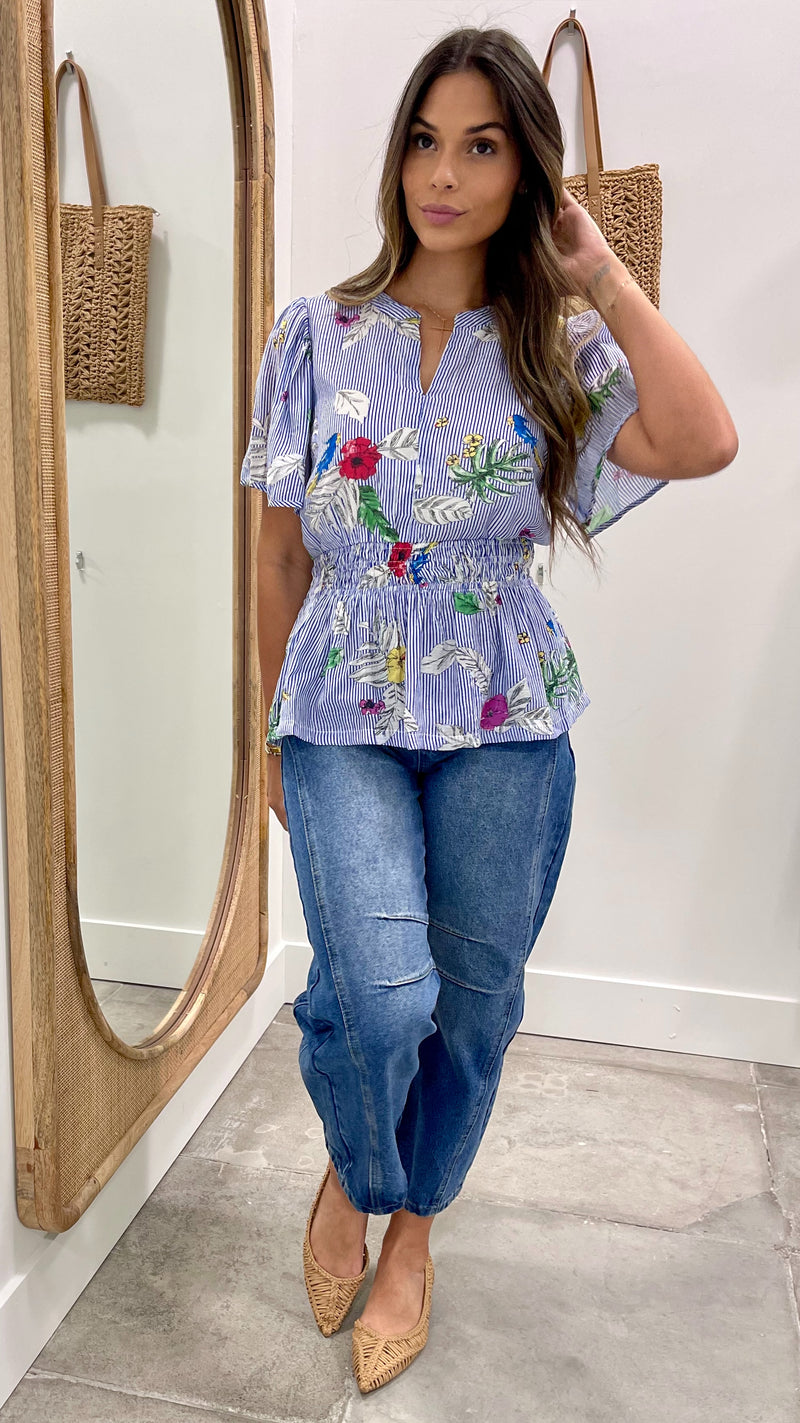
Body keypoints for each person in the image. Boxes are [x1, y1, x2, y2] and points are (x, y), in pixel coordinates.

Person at [240, 25, 738, 1395]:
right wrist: (263, 727)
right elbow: (277, 556)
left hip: (507, 718)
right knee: (376, 994)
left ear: (527, 174)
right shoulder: (316, 334)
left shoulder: (554, 347)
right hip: (337, 709)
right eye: (424, 140)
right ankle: (358, 1169)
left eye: (481, 146)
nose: (443, 175)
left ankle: (411, 1234)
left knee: (472, 1009)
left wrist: (606, 278)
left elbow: (705, 440)